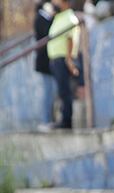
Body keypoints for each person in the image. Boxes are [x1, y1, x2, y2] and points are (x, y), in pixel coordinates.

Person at [46, 0, 81, 129]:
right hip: (55, 59)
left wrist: (69, 60)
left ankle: (66, 121)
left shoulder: (69, 18)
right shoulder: (59, 16)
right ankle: (63, 119)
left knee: (65, 92)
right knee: (61, 92)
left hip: (63, 59)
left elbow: (70, 39)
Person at [34, 1, 57, 128]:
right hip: (45, 62)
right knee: (48, 93)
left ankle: (50, 119)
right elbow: (46, 34)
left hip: (50, 61)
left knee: (52, 93)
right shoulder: (40, 18)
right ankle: (46, 120)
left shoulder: (46, 17)